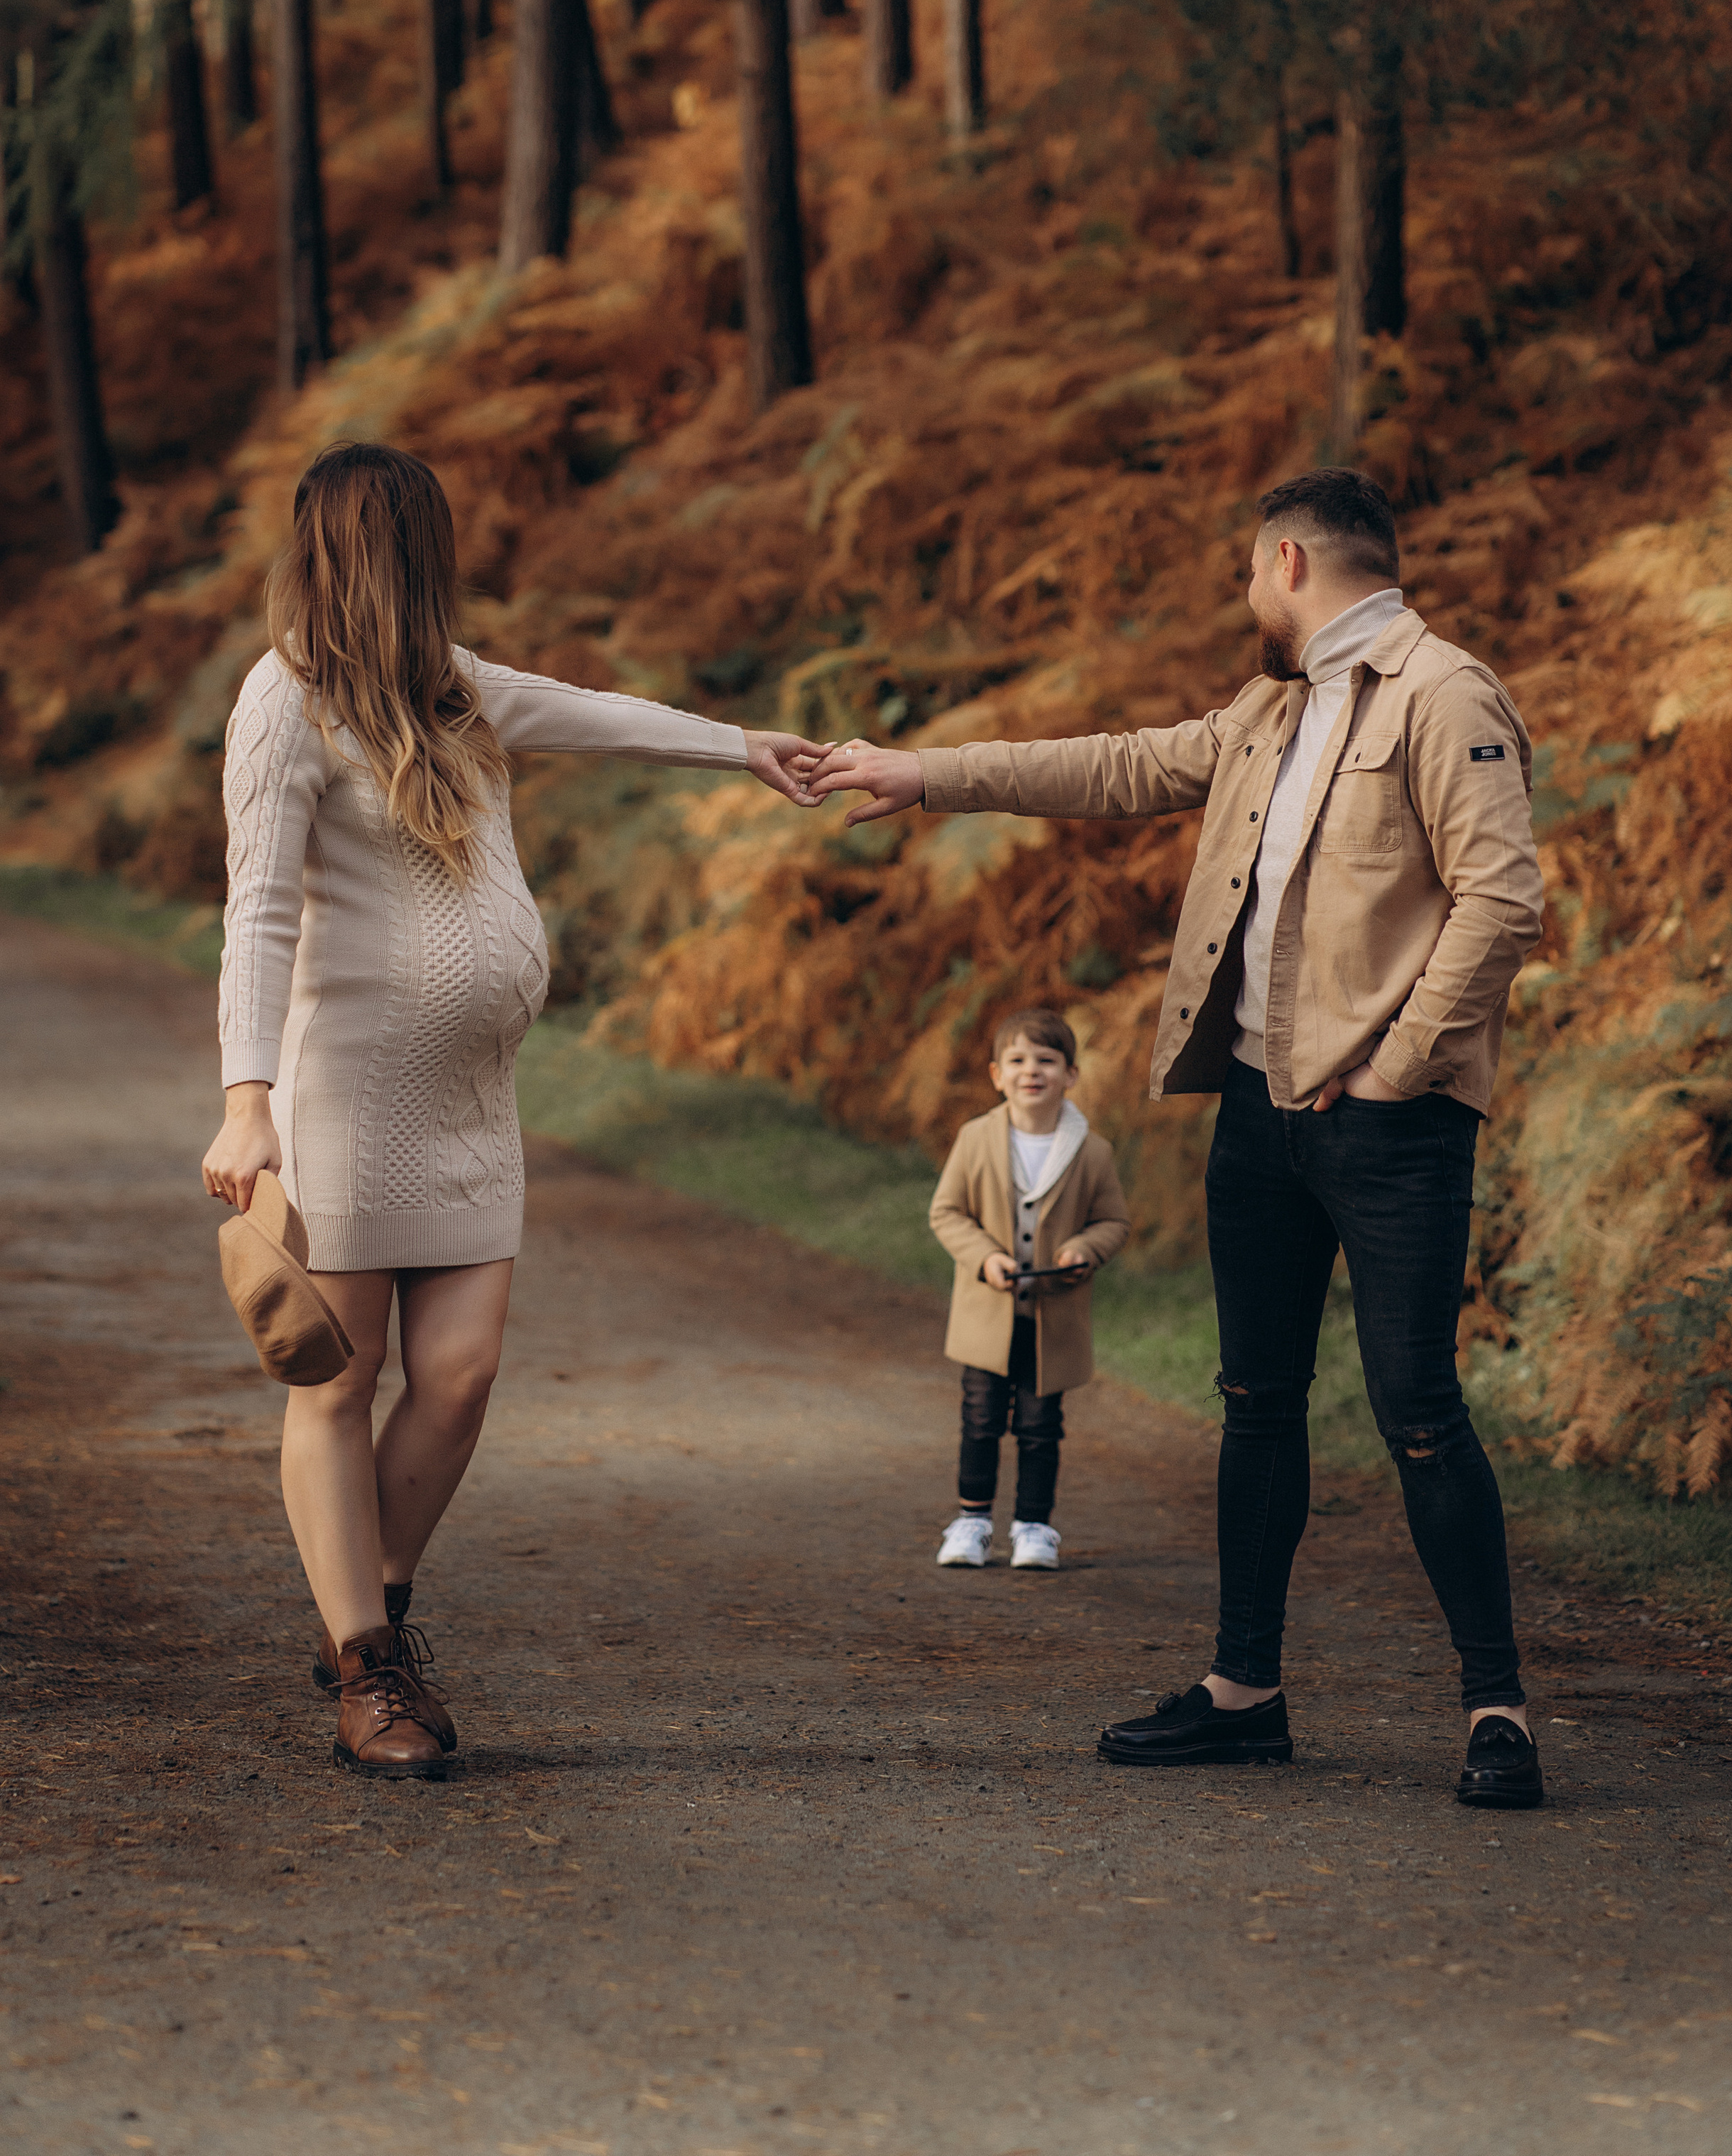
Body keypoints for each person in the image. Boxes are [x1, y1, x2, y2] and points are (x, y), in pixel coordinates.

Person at [811, 469, 1548, 1812]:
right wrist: (925, 776)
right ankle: (1243, 1694)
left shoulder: (1449, 696)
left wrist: (1390, 1063)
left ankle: (1496, 1708)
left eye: (1244, 574)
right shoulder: (1277, 704)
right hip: (1261, 1113)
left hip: (1393, 1127)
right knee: (1256, 1403)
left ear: (1285, 562)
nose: (1242, 595)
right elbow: (1124, 764)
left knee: (1418, 1411)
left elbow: (1503, 903)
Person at [202, 443, 825, 1779]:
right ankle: (371, 1668)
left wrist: (746, 751)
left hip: (473, 1100)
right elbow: (255, 915)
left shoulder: (455, 686)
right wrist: (245, 1105)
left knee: (464, 1377)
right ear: (375, 550)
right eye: (420, 538)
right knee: (342, 1380)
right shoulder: (284, 701)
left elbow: (602, 714)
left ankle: (365, 1610)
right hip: (351, 1093)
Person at [928, 1009, 1129, 1572]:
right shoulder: (975, 1139)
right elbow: (947, 1213)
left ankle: (1035, 1527)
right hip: (986, 1314)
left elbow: (1114, 1222)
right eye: (1017, 1061)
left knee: (1041, 1425)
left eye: (1046, 1060)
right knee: (980, 1417)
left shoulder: (1093, 1152)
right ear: (997, 1075)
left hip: (1054, 1318)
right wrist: (985, 1257)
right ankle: (971, 1522)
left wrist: (1084, 1250)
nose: (1030, 1071)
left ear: (1071, 1075)